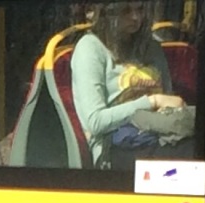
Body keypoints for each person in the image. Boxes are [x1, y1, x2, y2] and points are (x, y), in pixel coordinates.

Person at [71, 2, 189, 168]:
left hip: (159, 134)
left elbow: (168, 98)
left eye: (140, 9)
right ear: (106, 14)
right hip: (115, 147)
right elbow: (95, 122)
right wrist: (151, 102)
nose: (135, 18)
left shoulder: (151, 47)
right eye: (125, 11)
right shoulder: (90, 48)